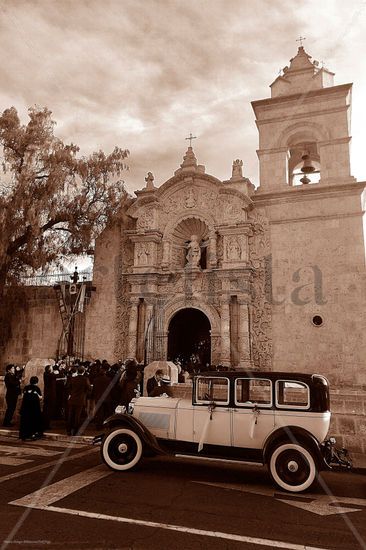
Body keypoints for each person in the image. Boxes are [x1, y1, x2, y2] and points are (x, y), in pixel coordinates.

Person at [65, 366, 91, 436]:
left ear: (77, 371)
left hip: (72, 399)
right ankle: (76, 431)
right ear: (84, 371)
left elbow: (68, 387)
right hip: (80, 400)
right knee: (77, 416)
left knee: (70, 415)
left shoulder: (73, 379)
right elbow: (89, 388)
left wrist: (71, 393)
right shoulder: (85, 379)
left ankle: (68, 431)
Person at [19, 376, 43, 441]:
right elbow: (40, 397)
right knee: (33, 421)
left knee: (25, 421)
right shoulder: (37, 388)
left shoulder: (26, 387)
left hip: (25, 408)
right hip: (34, 408)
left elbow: (22, 396)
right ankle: (33, 434)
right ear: (37, 382)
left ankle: (24, 435)